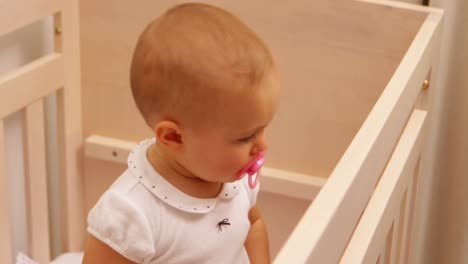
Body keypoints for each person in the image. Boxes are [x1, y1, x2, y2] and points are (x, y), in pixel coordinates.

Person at [82, 2, 280, 263]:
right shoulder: (131, 214)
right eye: (245, 137)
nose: (262, 146)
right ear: (174, 137)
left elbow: (252, 225)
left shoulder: (235, 179)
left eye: (262, 130)